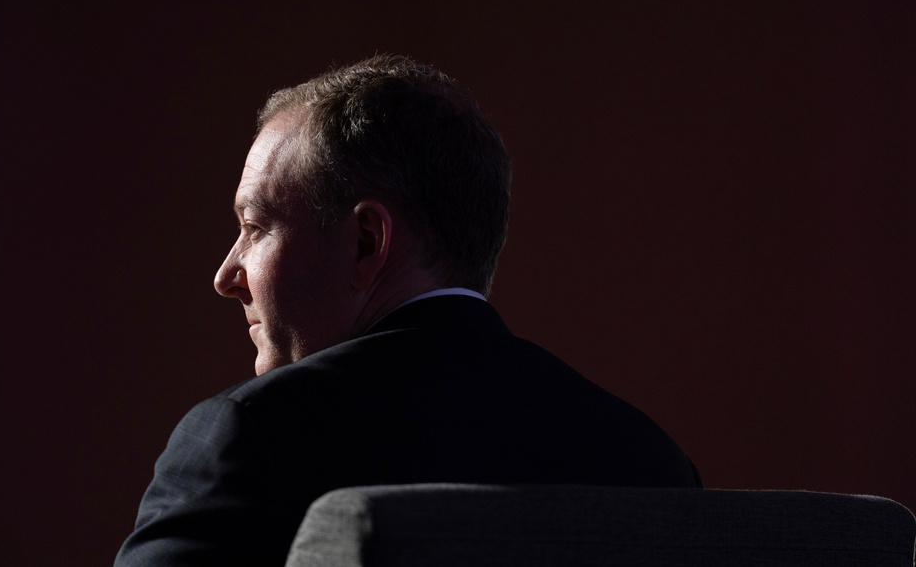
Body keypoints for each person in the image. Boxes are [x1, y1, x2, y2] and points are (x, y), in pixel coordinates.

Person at [114, 54, 701, 566]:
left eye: (255, 226)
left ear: (366, 242)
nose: (226, 277)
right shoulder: (651, 461)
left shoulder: (250, 440)